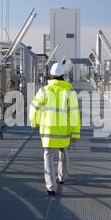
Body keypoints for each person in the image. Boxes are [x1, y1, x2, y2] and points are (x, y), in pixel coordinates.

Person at [29, 63, 81, 195]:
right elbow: (74, 114)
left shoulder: (44, 91)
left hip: (48, 130)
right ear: (64, 75)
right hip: (64, 130)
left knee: (48, 157)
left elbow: (33, 107)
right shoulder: (70, 92)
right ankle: (62, 177)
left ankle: (50, 187)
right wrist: (75, 132)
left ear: (51, 75)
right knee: (63, 153)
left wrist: (34, 122)